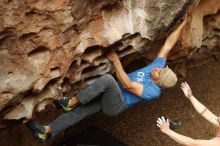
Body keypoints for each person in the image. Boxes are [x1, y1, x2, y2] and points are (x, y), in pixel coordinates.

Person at [26, 16, 187, 142]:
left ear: (158, 81)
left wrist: (116, 61)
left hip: (116, 105)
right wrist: (183, 23)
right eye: (161, 67)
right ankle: (46, 132)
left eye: (160, 71)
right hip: (109, 95)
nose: (158, 68)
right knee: (79, 113)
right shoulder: (156, 68)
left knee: (108, 80)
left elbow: (128, 85)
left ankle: (71, 102)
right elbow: (168, 45)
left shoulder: (153, 91)